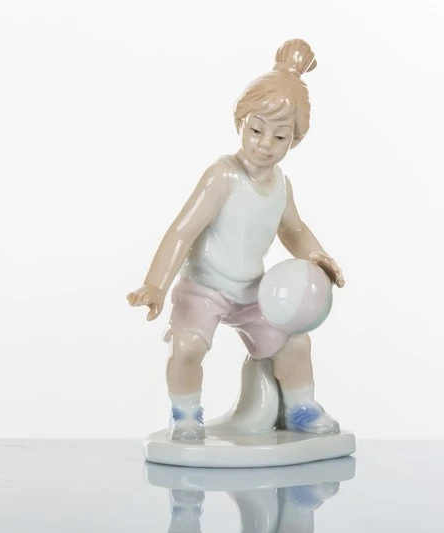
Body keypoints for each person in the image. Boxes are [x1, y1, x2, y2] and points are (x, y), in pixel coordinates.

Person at [128, 39, 345, 440]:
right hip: (204, 288)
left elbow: (294, 230)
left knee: (295, 343)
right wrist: (156, 284)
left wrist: (317, 255)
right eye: (256, 130)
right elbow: (183, 230)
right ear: (241, 123)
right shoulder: (222, 176)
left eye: (279, 137)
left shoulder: (281, 185)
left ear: (294, 141)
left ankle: (300, 407)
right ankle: (185, 414)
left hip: (251, 292)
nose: (265, 144)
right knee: (187, 348)